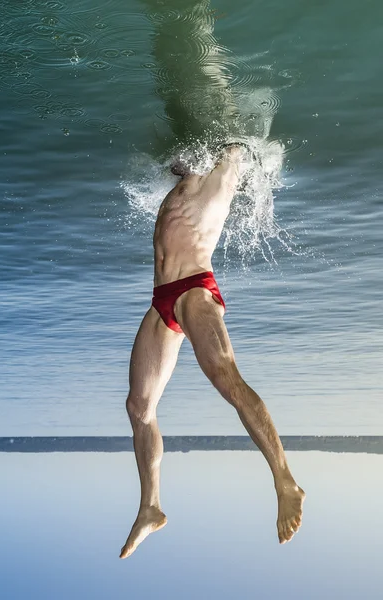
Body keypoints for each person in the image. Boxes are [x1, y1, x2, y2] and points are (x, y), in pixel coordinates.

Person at [120, 145, 305, 559]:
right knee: (138, 408)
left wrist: (236, 152)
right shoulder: (192, 169)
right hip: (161, 299)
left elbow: (240, 154)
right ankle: (150, 505)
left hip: (193, 290)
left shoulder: (222, 170)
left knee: (228, 380)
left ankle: (284, 480)